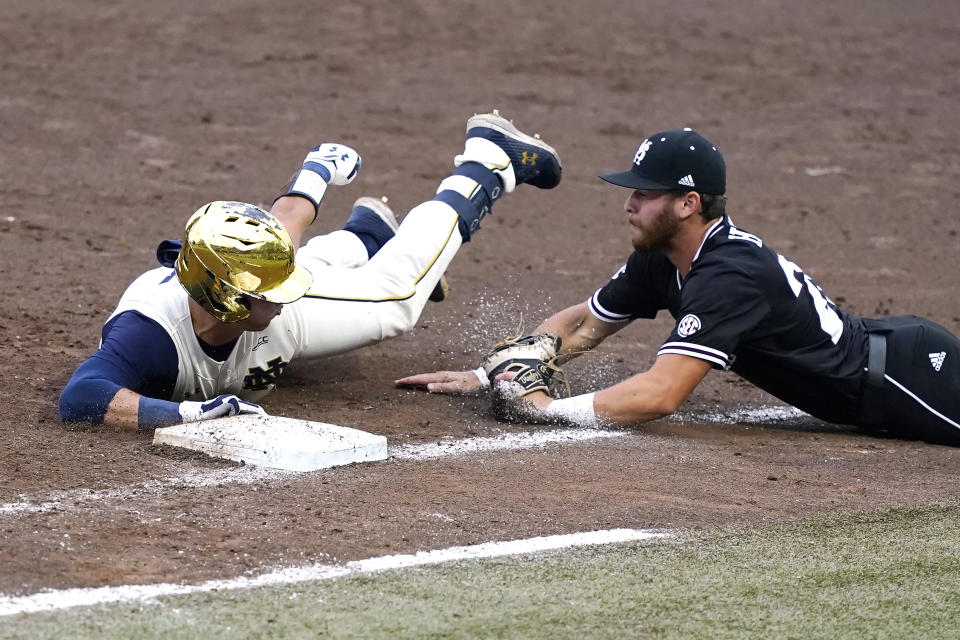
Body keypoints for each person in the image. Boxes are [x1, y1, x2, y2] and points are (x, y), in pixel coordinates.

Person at [397, 128, 960, 446]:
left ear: (689, 204)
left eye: (645, 193)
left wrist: (548, 411)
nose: (629, 203)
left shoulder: (729, 275)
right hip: (879, 370)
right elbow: (587, 325)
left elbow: (659, 394)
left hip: (908, 377)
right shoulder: (660, 257)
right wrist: (494, 371)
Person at [59, 111, 562, 431]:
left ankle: (488, 162)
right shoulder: (150, 336)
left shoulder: (252, 282)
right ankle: (367, 236)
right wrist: (187, 414)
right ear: (225, 298)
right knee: (315, 280)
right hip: (229, 334)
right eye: (268, 290)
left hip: (265, 336)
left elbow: (285, 225)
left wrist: (316, 174)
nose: (285, 293)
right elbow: (82, 395)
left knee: (398, 298)